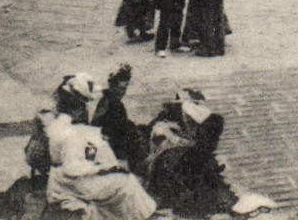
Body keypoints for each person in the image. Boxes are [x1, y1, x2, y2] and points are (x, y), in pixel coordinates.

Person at [145, 89, 272, 217]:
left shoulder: (178, 131)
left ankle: (226, 205)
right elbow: (212, 126)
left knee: (200, 165)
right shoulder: (167, 129)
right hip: (171, 181)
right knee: (195, 165)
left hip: (177, 178)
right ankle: (224, 206)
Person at [45, 83, 158, 220]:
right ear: (78, 109)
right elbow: (72, 168)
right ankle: (145, 216)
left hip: (64, 180)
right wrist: (104, 167)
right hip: (73, 183)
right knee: (126, 181)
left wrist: (98, 156)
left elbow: (86, 154)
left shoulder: (61, 124)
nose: (86, 111)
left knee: (121, 178)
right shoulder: (71, 132)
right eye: (84, 107)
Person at [92, 65, 149, 175]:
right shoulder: (113, 104)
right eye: (120, 88)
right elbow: (118, 129)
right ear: (113, 86)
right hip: (112, 145)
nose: (122, 92)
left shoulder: (107, 100)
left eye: (124, 89)